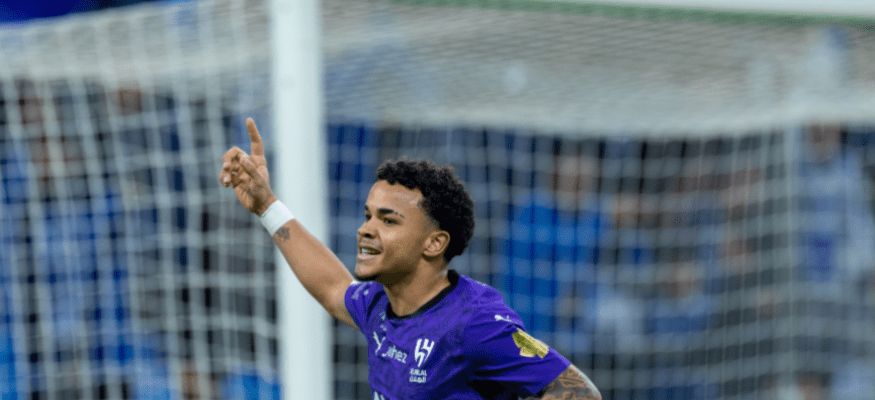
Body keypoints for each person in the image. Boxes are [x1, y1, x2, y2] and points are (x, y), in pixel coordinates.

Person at [219, 118, 601, 400]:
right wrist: (267, 207)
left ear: (433, 243)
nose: (365, 229)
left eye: (388, 220)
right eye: (368, 215)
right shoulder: (378, 305)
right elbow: (333, 288)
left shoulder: (474, 322)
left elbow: (579, 392)